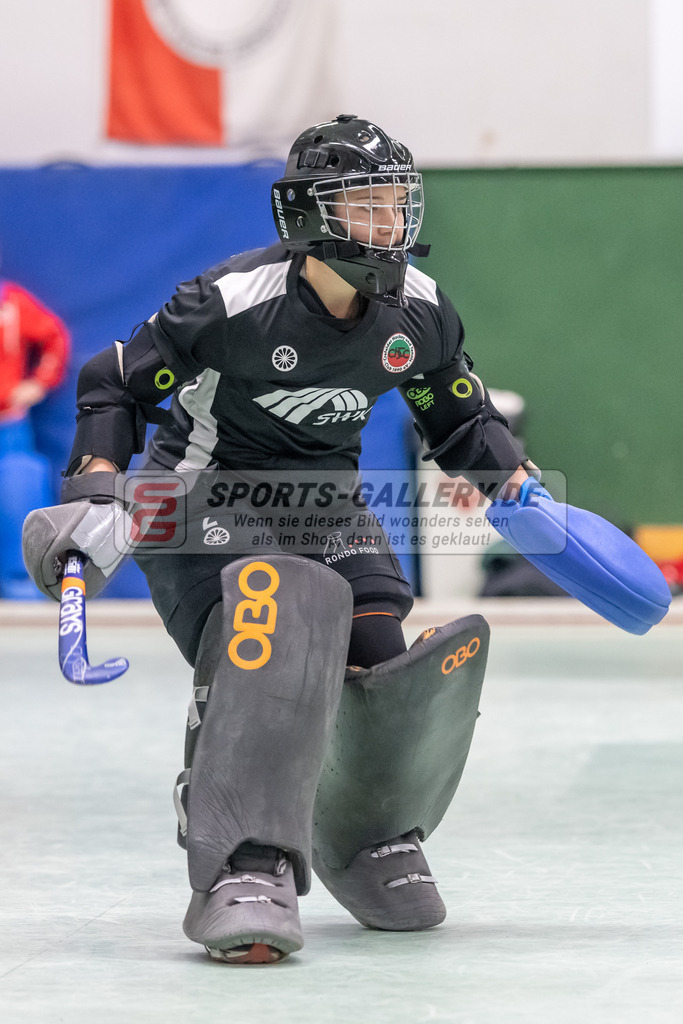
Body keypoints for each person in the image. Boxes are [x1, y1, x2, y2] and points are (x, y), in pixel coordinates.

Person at [22, 115, 670, 965]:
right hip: (199, 502)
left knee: (381, 659)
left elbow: (456, 417)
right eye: (365, 205)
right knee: (279, 620)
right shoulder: (229, 303)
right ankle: (241, 858)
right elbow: (115, 384)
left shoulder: (418, 311)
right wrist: (98, 485)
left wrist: (517, 490)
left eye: (396, 203)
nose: (388, 223)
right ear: (306, 215)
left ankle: (368, 836)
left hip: (323, 505)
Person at [0, 271, 69, 598]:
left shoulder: (11, 303)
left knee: (18, 493)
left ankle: (23, 586)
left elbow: (54, 337)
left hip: (8, 423)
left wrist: (39, 383)